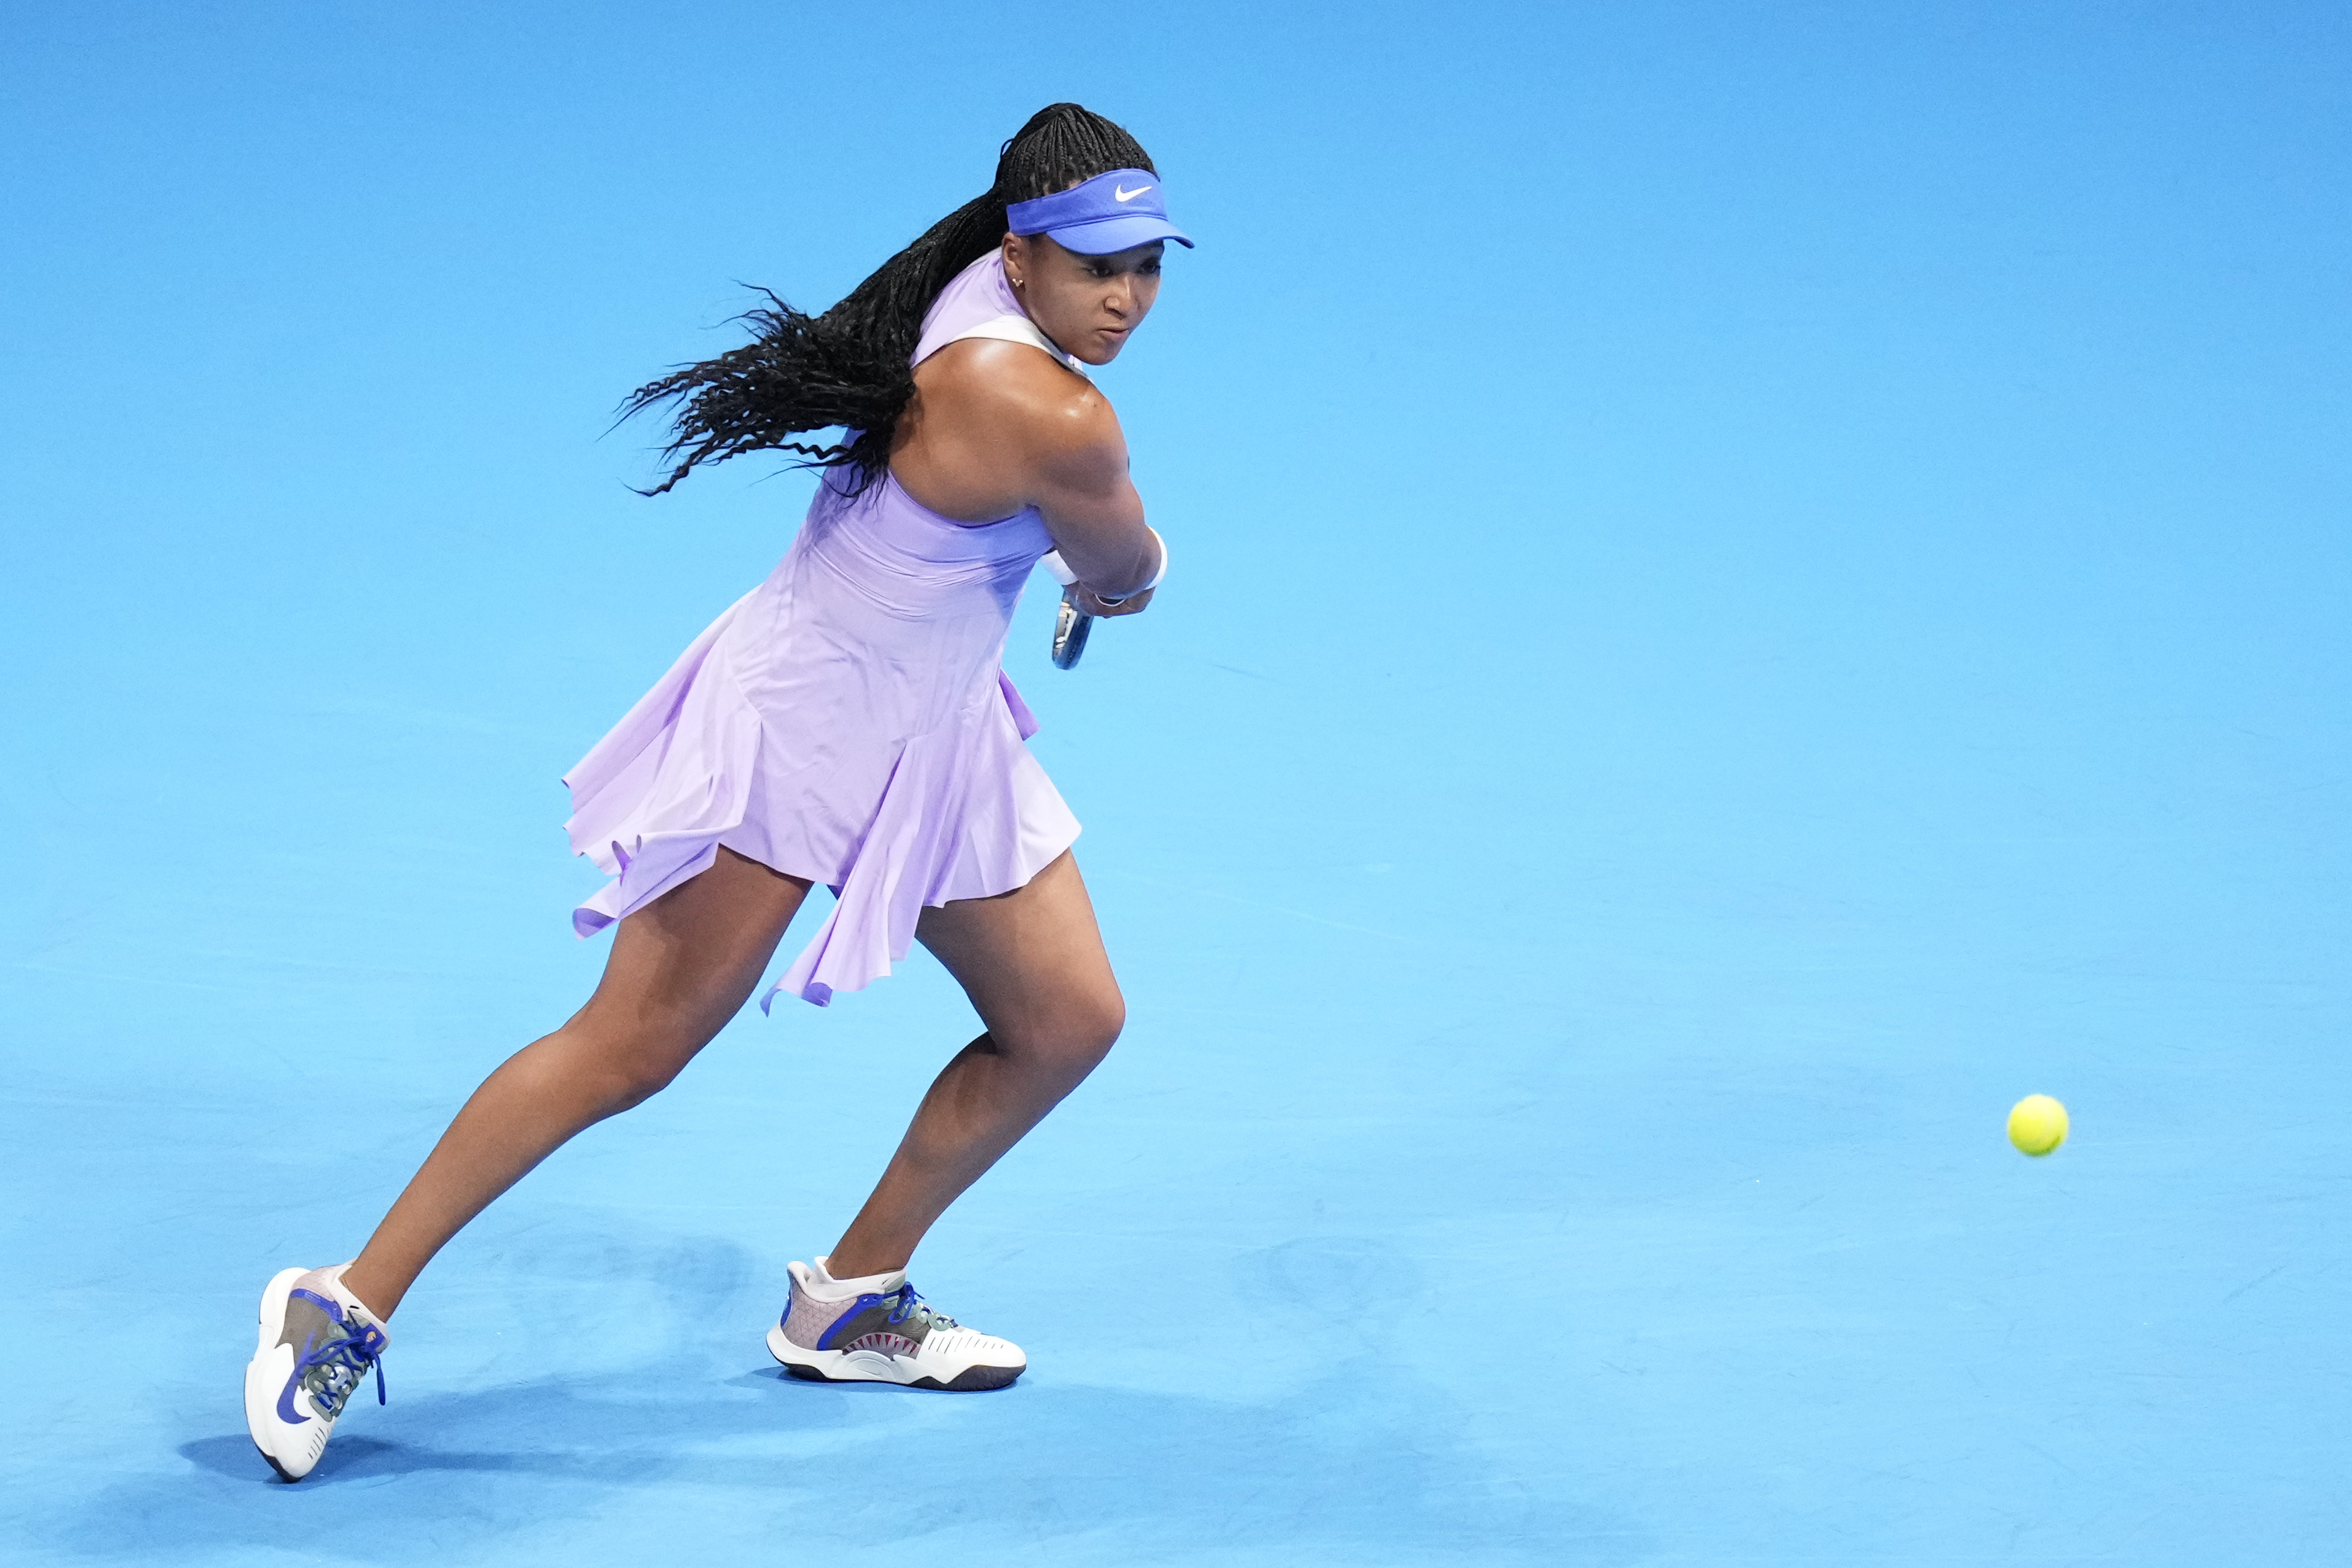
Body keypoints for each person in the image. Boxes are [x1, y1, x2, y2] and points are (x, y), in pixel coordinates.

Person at [242, 103, 1188, 1482]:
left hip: (932, 730)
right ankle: (340, 1296)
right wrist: (1112, 575)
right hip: (800, 722)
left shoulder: (965, 289)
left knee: (1064, 1018)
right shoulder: (1056, 410)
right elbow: (1129, 570)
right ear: (1018, 251)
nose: (1125, 296)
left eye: (1150, 264)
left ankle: (852, 1297)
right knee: (633, 1043)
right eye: (1095, 263)